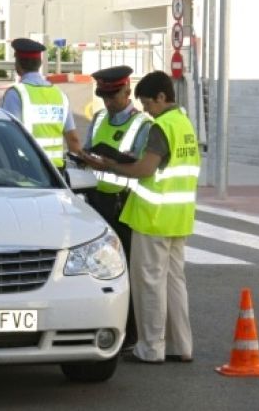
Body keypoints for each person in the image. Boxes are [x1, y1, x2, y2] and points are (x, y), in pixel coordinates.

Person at [83, 71, 200, 364]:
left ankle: (151, 347)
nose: (147, 109)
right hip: (179, 216)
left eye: (148, 103)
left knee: (149, 283)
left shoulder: (161, 127)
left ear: (162, 97)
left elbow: (145, 170)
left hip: (152, 215)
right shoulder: (184, 124)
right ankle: (180, 345)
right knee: (175, 283)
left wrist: (111, 166)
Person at [81, 65, 154, 350]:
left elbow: (140, 165)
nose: (108, 103)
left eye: (113, 97)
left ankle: (131, 333)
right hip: (97, 201)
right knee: (97, 268)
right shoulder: (99, 118)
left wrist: (112, 162)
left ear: (127, 91)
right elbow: (87, 149)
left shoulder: (143, 125)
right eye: (104, 97)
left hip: (125, 203)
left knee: (127, 270)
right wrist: (85, 157)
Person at [1, 38, 82, 170]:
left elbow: (6, 136)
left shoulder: (16, 94)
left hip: (26, 169)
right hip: (56, 174)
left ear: (17, 65)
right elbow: (73, 140)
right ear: (39, 63)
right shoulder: (60, 95)